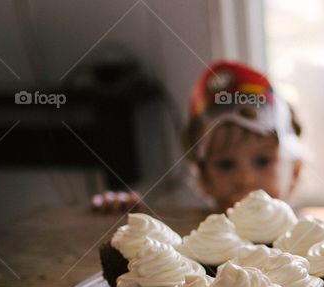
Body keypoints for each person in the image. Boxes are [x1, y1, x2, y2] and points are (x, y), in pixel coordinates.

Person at [92, 60, 303, 213]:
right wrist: (126, 212)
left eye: (262, 161)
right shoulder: (191, 240)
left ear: (294, 170)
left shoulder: (308, 245)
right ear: (203, 178)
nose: (245, 179)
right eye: (226, 164)